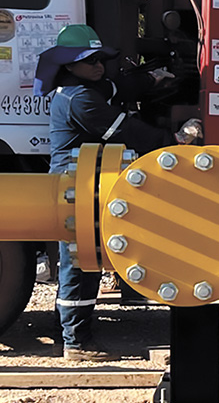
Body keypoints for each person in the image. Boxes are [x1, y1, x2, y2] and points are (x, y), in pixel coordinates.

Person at [35, 24, 202, 361]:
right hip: (75, 188)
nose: (98, 65)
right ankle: (76, 342)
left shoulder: (84, 88)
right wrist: (177, 141)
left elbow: (119, 86)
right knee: (80, 263)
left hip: (83, 183)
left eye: (100, 59)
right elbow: (128, 131)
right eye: (89, 60)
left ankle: (64, 327)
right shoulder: (80, 99)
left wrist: (154, 78)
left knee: (81, 260)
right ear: (69, 65)